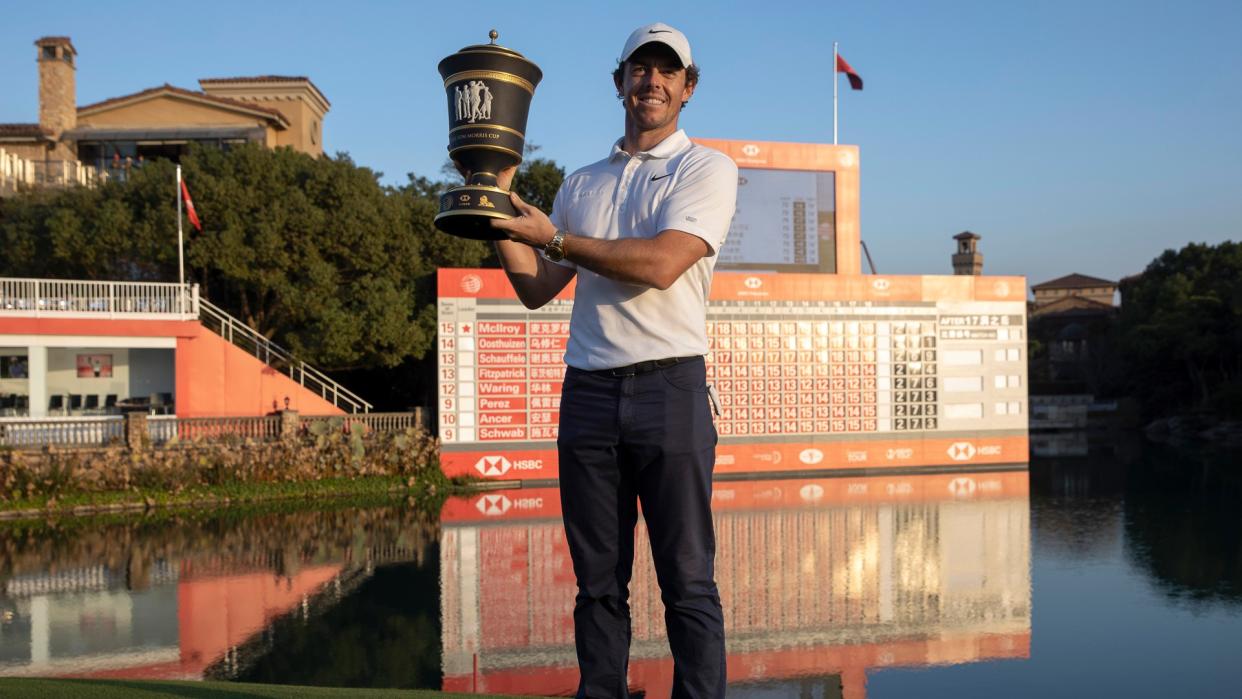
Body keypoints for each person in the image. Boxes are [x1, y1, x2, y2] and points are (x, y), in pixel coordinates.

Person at [486, 22, 738, 699]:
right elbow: (537, 287)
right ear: (618, 80)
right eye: (639, 68)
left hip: (671, 388)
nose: (650, 81)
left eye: (666, 71)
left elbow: (660, 265)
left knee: (687, 578)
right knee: (597, 579)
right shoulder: (582, 181)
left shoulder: (707, 168)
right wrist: (494, 207)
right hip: (590, 392)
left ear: (688, 86)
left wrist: (559, 237)